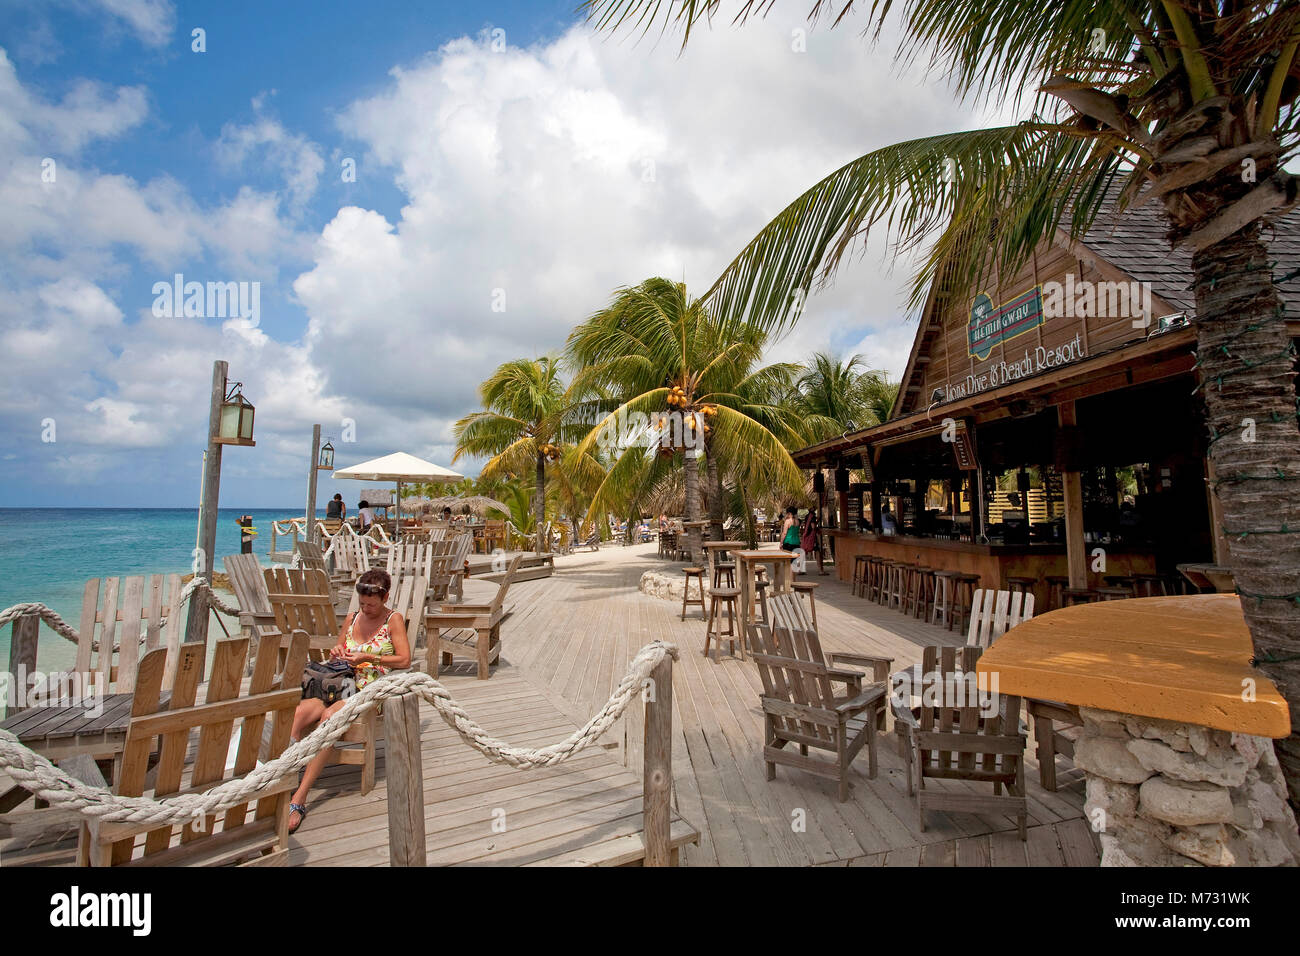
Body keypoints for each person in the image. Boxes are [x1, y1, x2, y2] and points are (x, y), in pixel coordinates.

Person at [287, 569, 409, 834]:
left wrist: (369, 660)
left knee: (329, 718)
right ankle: (282, 781)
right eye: (362, 603)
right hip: (338, 683)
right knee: (296, 714)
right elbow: (337, 654)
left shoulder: (393, 620)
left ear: (385, 597)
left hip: (368, 690)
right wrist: (337, 652)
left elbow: (404, 660)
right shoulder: (353, 617)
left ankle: (299, 798)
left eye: (372, 605)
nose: (366, 609)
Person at [800, 509, 825, 575]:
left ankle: (801, 570)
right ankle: (820, 570)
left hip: (806, 536)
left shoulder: (807, 516)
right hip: (812, 537)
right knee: (817, 551)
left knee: (803, 552)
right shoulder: (813, 517)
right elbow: (813, 526)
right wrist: (817, 526)